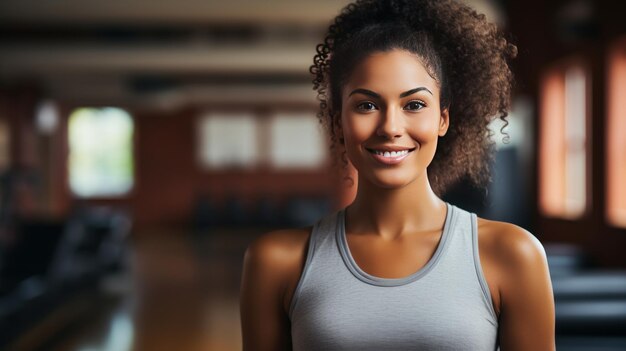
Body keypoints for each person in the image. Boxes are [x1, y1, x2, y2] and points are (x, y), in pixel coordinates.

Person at [239, 0, 555, 350]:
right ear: (338, 122)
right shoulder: (275, 261)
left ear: (443, 119)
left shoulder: (513, 254)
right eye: (366, 105)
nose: (390, 127)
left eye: (414, 105)